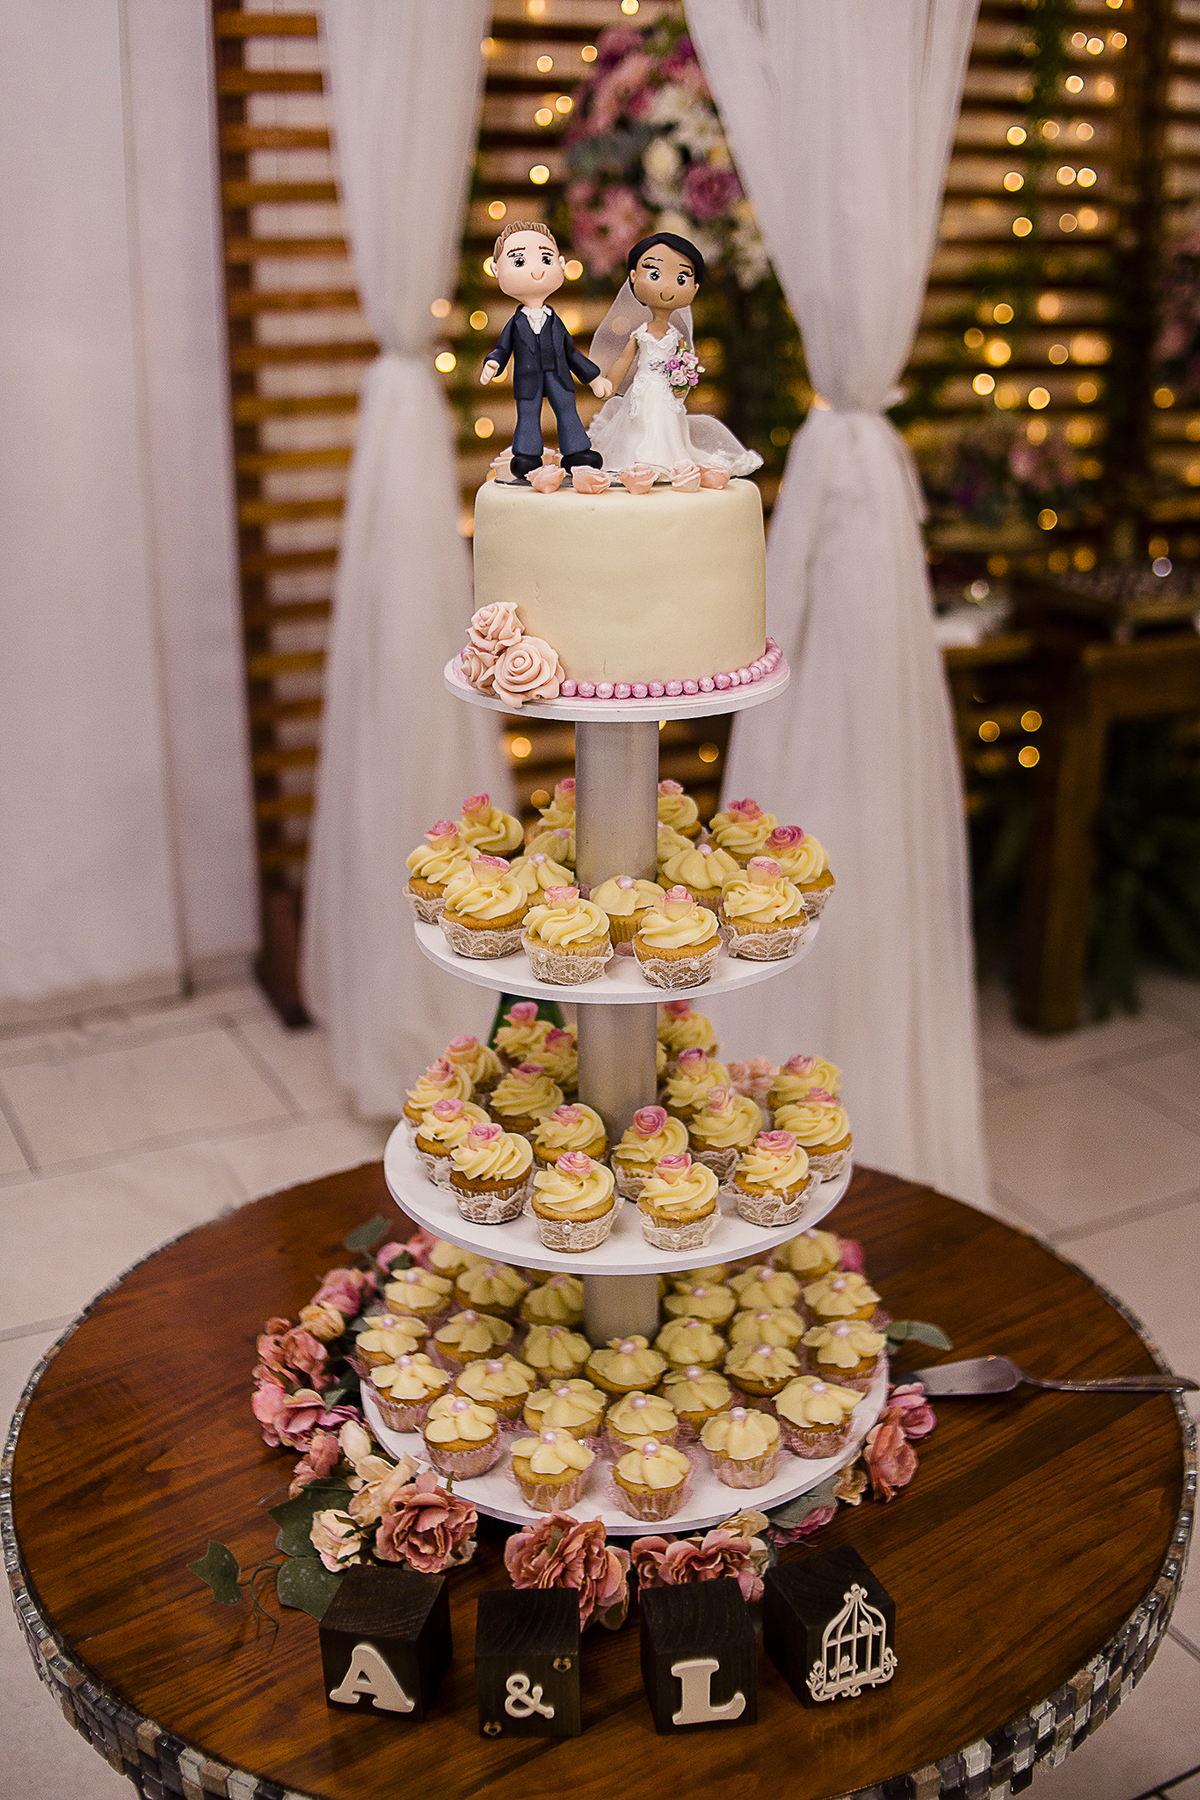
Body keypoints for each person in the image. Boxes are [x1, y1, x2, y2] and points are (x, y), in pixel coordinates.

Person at [587, 232, 762, 479]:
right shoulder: (641, 333)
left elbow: (684, 362)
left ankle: (667, 460)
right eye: (655, 275)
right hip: (643, 389)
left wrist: (683, 383)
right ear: (634, 277)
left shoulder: (676, 336)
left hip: (666, 392)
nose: (667, 287)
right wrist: (610, 384)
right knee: (639, 422)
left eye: (681, 279)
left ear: (695, 288)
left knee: (666, 424)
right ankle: (635, 460)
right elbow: (625, 360)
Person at [480, 222, 612, 481]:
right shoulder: (515, 323)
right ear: (496, 270)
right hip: (528, 379)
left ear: (561, 264)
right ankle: (527, 456)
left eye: (546, 259)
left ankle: (577, 452)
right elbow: (502, 348)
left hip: (558, 375)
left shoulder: (555, 322)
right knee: (528, 416)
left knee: (567, 411)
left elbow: (571, 353)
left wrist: (594, 378)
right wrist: (494, 363)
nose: (537, 269)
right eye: (519, 261)